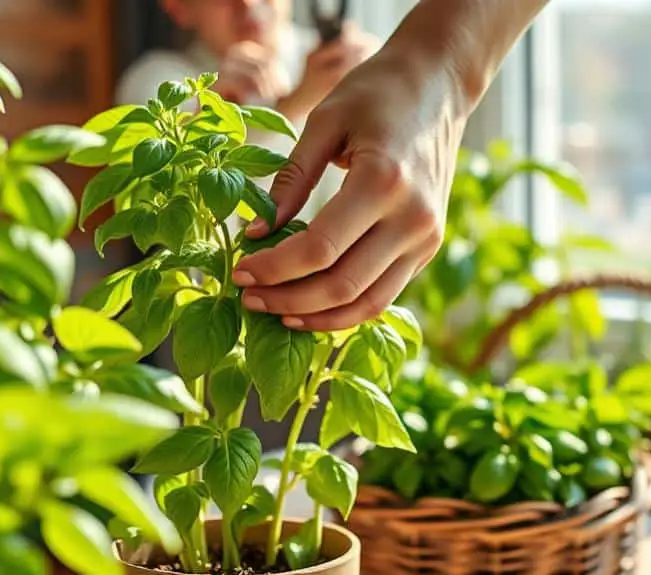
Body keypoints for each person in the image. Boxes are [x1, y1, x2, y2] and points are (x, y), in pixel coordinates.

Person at [232, 0, 549, 332]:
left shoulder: (316, 51)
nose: (247, 3)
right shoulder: (187, 77)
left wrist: (437, 68)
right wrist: (437, 65)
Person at [116, 0, 379, 217]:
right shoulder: (157, 84)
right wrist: (297, 102)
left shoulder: (345, 57)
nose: (248, 3)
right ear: (179, 7)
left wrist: (388, 87)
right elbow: (181, 207)